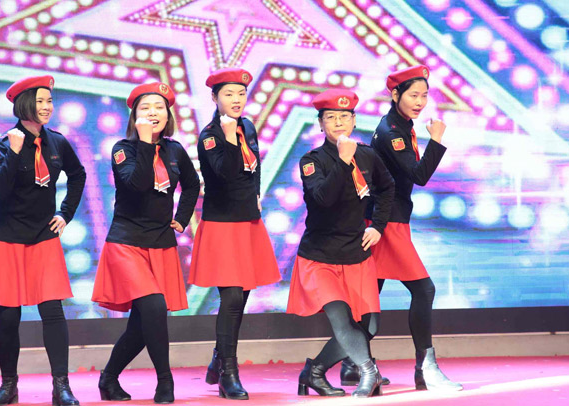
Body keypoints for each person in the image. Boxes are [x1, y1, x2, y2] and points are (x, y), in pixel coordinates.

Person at [0, 75, 86, 406]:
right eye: (40, 102)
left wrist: (65, 213)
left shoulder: (58, 142)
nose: (47, 107)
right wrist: (14, 153)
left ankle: (61, 387)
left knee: (53, 311)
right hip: (6, 238)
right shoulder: (3, 144)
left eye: (49, 101)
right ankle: (9, 385)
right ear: (24, 106)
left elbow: (78, 175)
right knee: (8, 315)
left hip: (43, 236)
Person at [91, 82, 200, 404]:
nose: (153, 113)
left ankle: (108, 379)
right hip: (127, 243)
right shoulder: (123, 149)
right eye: (145, 108)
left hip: (161, 243)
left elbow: (192, 185)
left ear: (167, 115)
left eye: (159, 107)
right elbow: (136, 185)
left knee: (142, 324)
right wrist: (144, 143)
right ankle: (165, 381)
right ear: (134, 116)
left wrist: (182, 218)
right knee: (153, 307)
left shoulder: (175, 150)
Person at [287, 89, 394, 398]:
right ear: (321, 124)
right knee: (342, 318)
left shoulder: (368, 155)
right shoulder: (312, 161)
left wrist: (378, 226)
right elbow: (323, 199)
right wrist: (343, 161)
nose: (338, 123)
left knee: (369, 327)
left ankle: (314, 372)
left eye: (344, 117)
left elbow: (388, 189)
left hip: (356, 254)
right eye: (330, 117)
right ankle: (369, 373)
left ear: (354, 120)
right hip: (320, 257)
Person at [362, 65, 462, 391]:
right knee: (423, 290)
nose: (420, 102)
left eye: (424, 95)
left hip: (389, 218)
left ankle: (353, 365)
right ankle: (425, 369)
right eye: (413, 95)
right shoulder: (392, 132)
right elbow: (419, 175)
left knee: (370, 295)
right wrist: (437, 139)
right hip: (386, 222)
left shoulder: (400, 125)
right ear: (395, 95)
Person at [190, 67, 281, 400]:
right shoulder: (211, 135)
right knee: (230, 298)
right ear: (215, 98)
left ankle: (219, 357)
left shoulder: (248, 127)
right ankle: (229, 372)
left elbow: (254, 165)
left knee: (242, 296)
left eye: (241, 93)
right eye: (229, 94)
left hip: (248, 222)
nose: (237, 99)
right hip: (222, 225)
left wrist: (256, 193)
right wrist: (229, 139)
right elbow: (225, 174)